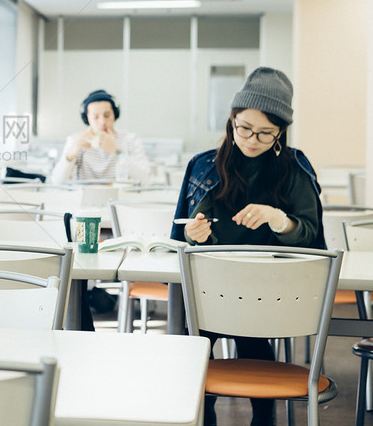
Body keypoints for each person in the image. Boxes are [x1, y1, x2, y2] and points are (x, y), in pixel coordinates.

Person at [170, 66, 324, 426]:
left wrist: (277, 218)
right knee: (196, 339)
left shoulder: (295, 168)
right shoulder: (205, 165)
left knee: (249, 329)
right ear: (231, 121)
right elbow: (183, 235)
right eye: (243, 128)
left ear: (281, 132)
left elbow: (313, 238)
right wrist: (198, 234)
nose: (251, 140)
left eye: (265, 133)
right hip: (210, 286)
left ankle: (263, 415)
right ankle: (202, 413)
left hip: (273, 292)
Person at [50, 89, 150, 184]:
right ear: (87, 118)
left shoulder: (130, 139)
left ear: (115, 115)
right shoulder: (76, 140)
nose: (102, 122)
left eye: (107, 115)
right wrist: (71, 153)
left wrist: (117, 151)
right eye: (95, 117)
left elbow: (146, 180)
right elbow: (57, 181)